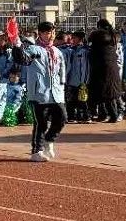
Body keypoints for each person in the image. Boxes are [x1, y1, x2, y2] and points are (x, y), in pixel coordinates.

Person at [13, 21, 67, 162]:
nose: (51, 36)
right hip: (39, 92)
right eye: (48, 33)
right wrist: (17, 45)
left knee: (62, 118)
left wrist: (62, 86)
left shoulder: (57, 51)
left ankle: (49, 140)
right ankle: (37, 150)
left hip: (56, 93)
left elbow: (62, 71)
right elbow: (22, 59)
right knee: (41, 123)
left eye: (53, 33)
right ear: (41, 34)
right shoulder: (34, 50)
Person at [87, 19, 123, 123]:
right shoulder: (112, 36)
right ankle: (110, 115)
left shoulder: (98, 35)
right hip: (112, 68)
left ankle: (111, 115)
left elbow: (89, 41)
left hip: (100, 68)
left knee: (103, 93)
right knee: (109, 94)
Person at [63, 30, 88, 123]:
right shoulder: (71, 50)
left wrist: (84, 80)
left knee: (82, 99)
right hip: (71, 79)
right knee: (71, 99)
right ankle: (72, 116)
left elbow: (85, 67)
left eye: (75, 38)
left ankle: (85, 116)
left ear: (81, 39)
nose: (72, 40)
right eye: (72, 38)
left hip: (81, 80)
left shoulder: (84, 51)